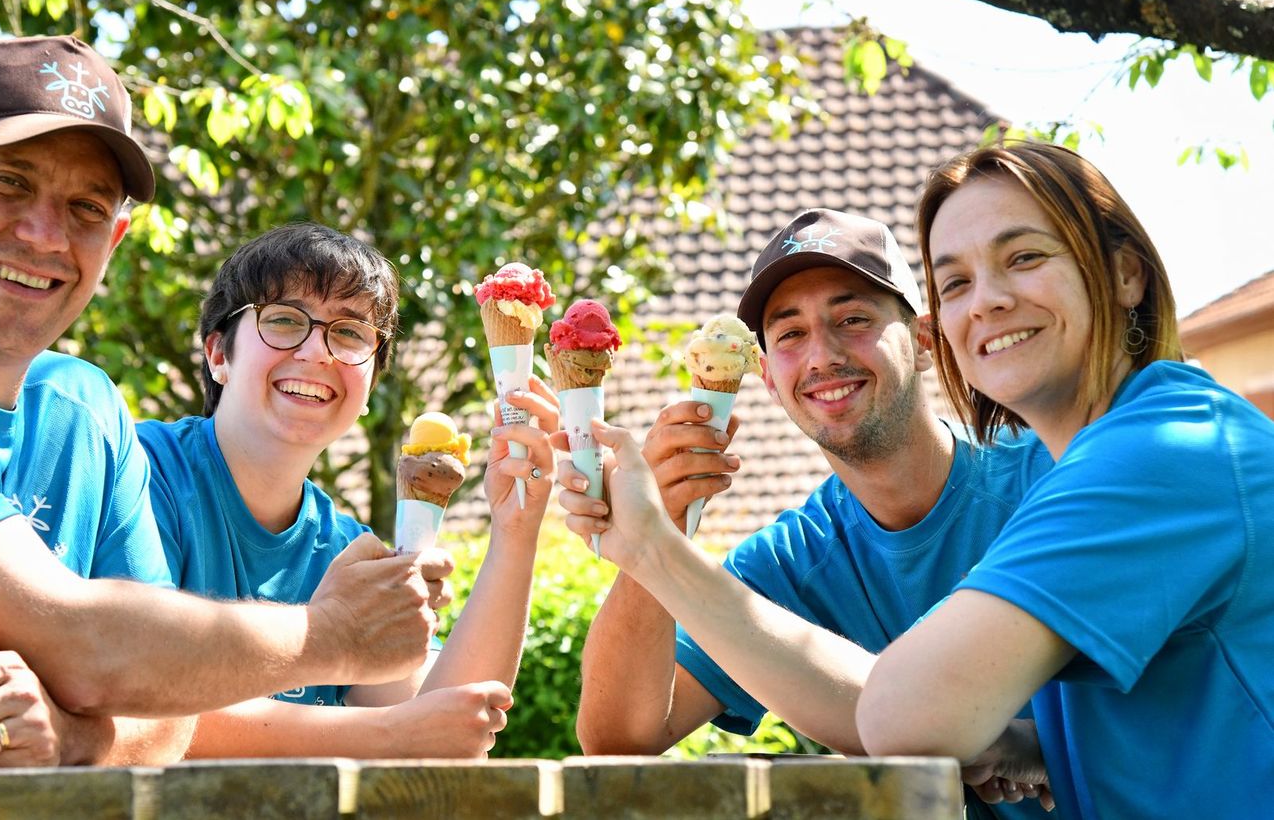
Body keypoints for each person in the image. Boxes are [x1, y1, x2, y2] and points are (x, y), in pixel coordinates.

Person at [0, 35, 445, 817]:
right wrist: (334, 634)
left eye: (84, 208)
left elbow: (166, 715)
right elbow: (86, 646)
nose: (45, 235)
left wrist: (71, 741)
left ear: (112, 241)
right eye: (8, 181)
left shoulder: (84, 410)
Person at [566, 208, 1054, 813]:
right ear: (767, 377)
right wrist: (658, 525)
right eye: (790, 333)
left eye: (852, 319)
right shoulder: (793, 559)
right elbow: (617, 740)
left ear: (924, 342)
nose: (821, 356)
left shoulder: (1051, 481)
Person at [856, 141, 1274, 818]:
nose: (985, 302)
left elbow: (902, 715)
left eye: (1023, 257)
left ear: (1125, 276)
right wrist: (1044, 740)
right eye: (955, 282)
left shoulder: (1163, 454)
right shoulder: (1110, 455)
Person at [135, 223, 558, 758]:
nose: (318, 352)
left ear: (369, 387)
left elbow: (440, 733)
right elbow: (133, 702)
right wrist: (388, 737)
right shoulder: (140, 473)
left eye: (350, 333)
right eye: (285, 321)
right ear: (219, 354)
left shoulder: (347, 550)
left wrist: (516, 529)